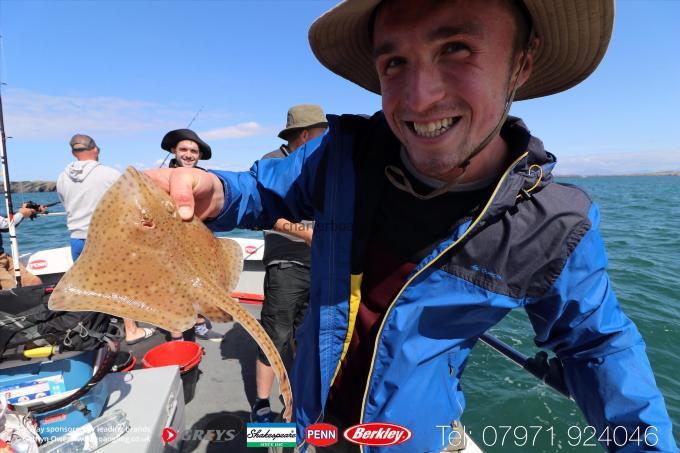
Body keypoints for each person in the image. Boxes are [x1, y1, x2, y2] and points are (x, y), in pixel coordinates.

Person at [146, 1, 676, 451]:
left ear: (522, 63)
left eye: (457, 49)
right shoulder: (340, 155)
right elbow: (259, 189)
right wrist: (210, 188)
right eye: (395, 62)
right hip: (310, 427)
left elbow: (597, 347)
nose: (419, 99)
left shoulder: (555, 225)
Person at [250, 105, 327, 423]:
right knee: (275, 334)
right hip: (286, 264)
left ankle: (295, 399)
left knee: (306, 334)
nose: (327, 142)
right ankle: (262, 404)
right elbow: (264, 213)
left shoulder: (321, 166)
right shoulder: (272, 162)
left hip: (319, 265)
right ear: (307, 135)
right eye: (323, 135)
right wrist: (305, 233)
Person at [58, 134, 154, 346]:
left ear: (74, 152)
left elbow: (65, 203)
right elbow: (132, 203)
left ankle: (92, 331)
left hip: (76, 238)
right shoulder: (109, 174)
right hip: (106, 239)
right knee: (122, 284)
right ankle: (131, 330)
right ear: (96, 149)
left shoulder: (62, 177)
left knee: (92, 285)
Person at [161, 128, 223, 342]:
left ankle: (199, 325)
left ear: (200, 156)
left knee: (199, 286)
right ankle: (177, 336)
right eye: (183, 149)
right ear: (173, 151)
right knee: (173, 291)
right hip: (169, 245)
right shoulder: (162, 177)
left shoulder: (206, 177)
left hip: (200, 242)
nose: (188, 154)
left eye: (194, 151)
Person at [0, 203, 45, 289]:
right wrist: (22, 214)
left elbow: (4, 218)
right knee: (12, 290)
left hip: (4, 257)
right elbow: (6, 226)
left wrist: (31, 209)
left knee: (35, 283)